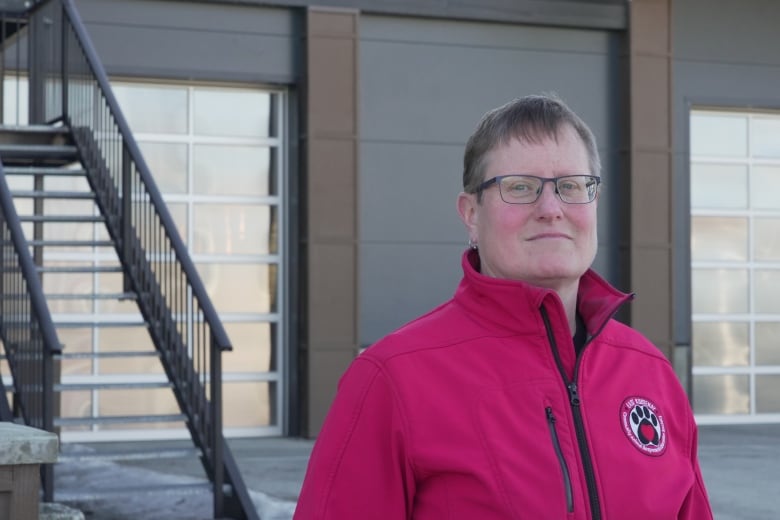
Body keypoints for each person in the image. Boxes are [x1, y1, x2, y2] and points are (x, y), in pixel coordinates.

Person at [294, 94, 713, 519]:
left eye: (570, 186)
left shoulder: (650, 373)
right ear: (471, 214)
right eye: (520, 188)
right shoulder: (393, 379)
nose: (551, 209)